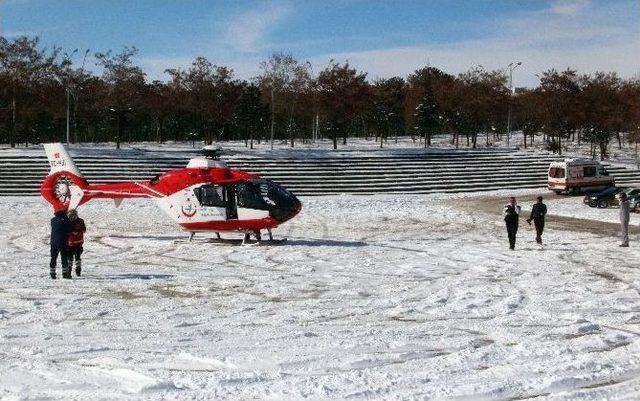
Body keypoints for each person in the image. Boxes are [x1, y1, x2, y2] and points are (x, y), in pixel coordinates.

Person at [50, 209, 71, 279]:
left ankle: (52, 273)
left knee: (53, 258)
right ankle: (65, 274)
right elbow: (70, 229)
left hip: (53, 242)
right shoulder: (66, 220)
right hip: (63, 242)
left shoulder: (52, 220)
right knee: (64, 258)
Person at [67, 209, 86, 276]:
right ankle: (77, 271)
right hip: (77, 243)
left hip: (71, 243)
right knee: (77, 258)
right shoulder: (80, 221)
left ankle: (69, 271)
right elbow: (84, 230)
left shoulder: (67, 221)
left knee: (70, 258)